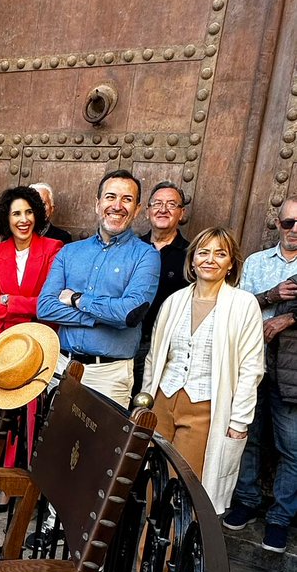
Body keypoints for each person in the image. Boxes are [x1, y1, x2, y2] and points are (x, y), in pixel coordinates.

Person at [143, 227, 264, 516]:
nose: (210, 259)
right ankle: (142, 558)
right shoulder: (174, 302)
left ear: (231, 263)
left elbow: (251, 367)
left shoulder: (243, 305)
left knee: (183, 489)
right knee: (151, 486)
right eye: (204, 252)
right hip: (162, 402)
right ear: (193, 259)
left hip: (204, 409)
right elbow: (154, 357)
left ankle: (172, 558)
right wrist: (146, 400)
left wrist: (239, 421)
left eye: (220, 254)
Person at [37, 170, 159, 407]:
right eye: (110, 197)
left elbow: (128, 314)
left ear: (137, 209)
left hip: (110, 376)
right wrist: (101, 317)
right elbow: (45, 308)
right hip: (62, 366)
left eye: (127, 199)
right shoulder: (70, 252)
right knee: (53, 442)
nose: (117, 205)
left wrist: (78, 299)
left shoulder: (147, 256)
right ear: (98, 204)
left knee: (102, 445)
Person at [223, 198, 297, 552]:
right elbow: (236, 305)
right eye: (288, 222)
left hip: (292, 372)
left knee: (291, 446)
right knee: (247, 435)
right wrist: (271, 296)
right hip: (252, 362)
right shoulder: (255, 262)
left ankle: (280, 518)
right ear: (278, 224)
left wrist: (289, 318)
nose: (294, 228)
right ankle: (247, 500)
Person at [132, 181, 190, 394]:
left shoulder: (190, 256)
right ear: (147, 211)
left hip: (165, 348)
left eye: (171, 204)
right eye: (157, 203)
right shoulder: (132, 249)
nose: (163, 209)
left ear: (181, 213)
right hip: (125, 342)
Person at [0, 186, 62, 335]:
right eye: (16, 214)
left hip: (39, 337)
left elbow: (50, 303)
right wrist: (29, 306)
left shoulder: (53, 248)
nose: (24, 220)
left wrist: (9, 300)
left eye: (29, 212)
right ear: (6, 218)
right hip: (5, 339)